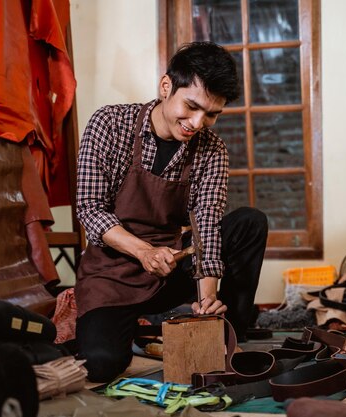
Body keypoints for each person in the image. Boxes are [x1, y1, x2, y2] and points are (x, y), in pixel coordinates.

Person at [73, 41, 268, 382]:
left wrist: (207, 299)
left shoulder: (212, 149)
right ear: (166, 87)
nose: (197, 123)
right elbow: (90, 209)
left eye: (212, 114)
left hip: (170, 267)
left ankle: (228, 330)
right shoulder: (109, 124)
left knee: (249, 223)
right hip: (112, 276)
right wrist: (144, 252)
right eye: (191, 106)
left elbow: (206, 222)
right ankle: (123, 330)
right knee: (101, 364)